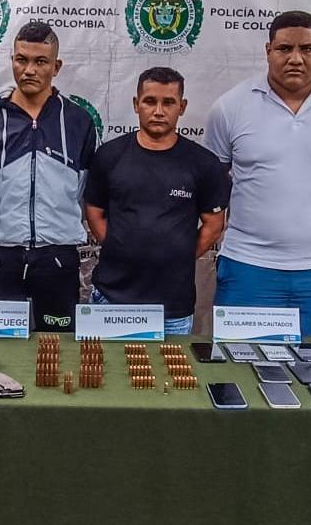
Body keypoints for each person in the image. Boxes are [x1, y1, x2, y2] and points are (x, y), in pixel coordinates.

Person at [205, 11, 311, 342]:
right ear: (268, 50)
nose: (295, 58)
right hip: (248, 266)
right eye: (284, 49)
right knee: (242, 375)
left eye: (307, 49)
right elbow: (216, 179)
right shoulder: (229, 108)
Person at [0, 21, 97, 332]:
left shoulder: (79, 121)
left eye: (40, 62)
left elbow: (87, 192)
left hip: (57, 258)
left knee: (57, 351)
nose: (29, 69)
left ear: (57, 66)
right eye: (21, 59)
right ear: (12, 60)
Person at [84, 67, 230, 334]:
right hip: (111, 299)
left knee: (168, 377)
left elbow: (213, 225)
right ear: (136, 104)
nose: (159, 111)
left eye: (168, 102)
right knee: (103, 373)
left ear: (182, 107)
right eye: (150, 101)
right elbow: (94, 211)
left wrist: (178, 255)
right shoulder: (109, 156)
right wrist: (120, 247)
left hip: (172, 307)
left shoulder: (203, 163)